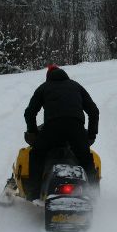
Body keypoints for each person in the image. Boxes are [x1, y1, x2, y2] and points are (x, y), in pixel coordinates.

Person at [24, 64, 99, 200]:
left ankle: (33, 194)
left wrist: (33, 133)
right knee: (86, 159)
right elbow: (94, 111)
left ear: (48, 77)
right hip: (75, 128)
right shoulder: (76, 86)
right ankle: (94, 194)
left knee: (36, 155)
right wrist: (91, 134)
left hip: (52, 127)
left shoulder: (44, 87)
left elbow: (29, 113)